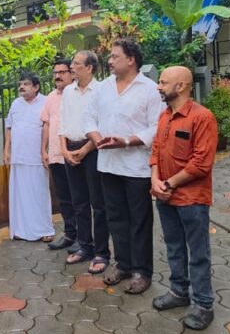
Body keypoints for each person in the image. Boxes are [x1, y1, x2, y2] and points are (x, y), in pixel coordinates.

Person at [84, 38, 164, 294]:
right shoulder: (103, 88)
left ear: (131, 60)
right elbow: (89, 117)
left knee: (139, 220)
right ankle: (123, 265)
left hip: (136, 167)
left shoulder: (150, 89)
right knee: (116, 218)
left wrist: (127, 141)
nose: (109, 61)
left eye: (115, 56)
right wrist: (97, 138)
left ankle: (142, 271)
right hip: (108, 165)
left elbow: (157, 127)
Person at [150, 66, 218, 330]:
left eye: (163, 82)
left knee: (198, 253)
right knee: (174, 246)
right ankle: (178, 292)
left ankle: (203, 305)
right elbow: (156, 150)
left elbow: (201, 163)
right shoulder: (164, 116)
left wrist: (168, 183)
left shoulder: (202, 117)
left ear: (180, 86)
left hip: (192, 199)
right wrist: (155, 181)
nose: (158, 86)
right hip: (164, 196)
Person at [59, 50, 111, 274]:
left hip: (92, 150)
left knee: (98, 204)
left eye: (76, 63)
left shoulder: (101, 91)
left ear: (89, 67)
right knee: (78, 202)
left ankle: (101, 252)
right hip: (71, 149)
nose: (71, 66)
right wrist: (65, 150)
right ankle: (84, 246)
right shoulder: (68, 91)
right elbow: (63, 123)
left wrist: (86, 148)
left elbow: (103, 124)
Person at [5, 73, 55, 242]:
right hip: (18, 157)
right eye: (20, 84)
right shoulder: (15, 103)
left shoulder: (46, 102)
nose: (22, 87)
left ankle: (45, 230)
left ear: (36, 87)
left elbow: (49, 127)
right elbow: (9, 127)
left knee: (39, 194)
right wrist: (6, 150)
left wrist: (45, 151)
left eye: (26, 84)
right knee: (20, 195)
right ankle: (20, 230)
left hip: (37, 157)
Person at [42, 60, 76, 251]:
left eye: (62, 72)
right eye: (55, 72)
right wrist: (43, 150)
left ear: (72, 73)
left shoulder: (77, 94)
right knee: (63, 197)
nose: (57, 76)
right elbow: (46, 124)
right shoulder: (50, 97)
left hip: (73, 154)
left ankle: (83, 236)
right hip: (55, 155)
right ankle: (70, 234)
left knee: (78, 198)